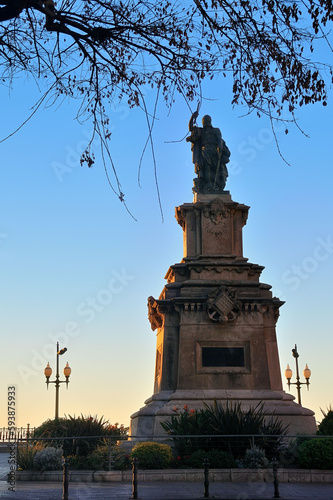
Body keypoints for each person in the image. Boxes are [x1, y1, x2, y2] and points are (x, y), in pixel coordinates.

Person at [186, 112, 230, 193]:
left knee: (216, 168)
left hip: (215, 151)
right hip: (205, 151)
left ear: (210, 122)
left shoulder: (216, 130)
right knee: (206, 167)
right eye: (204, 121)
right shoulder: (200, 131)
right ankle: (208, 184)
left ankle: (216, 185)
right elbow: (191, 128)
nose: (205, 123)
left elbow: (219, 140)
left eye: (207, 121)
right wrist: (192, 117)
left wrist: (219, 148)